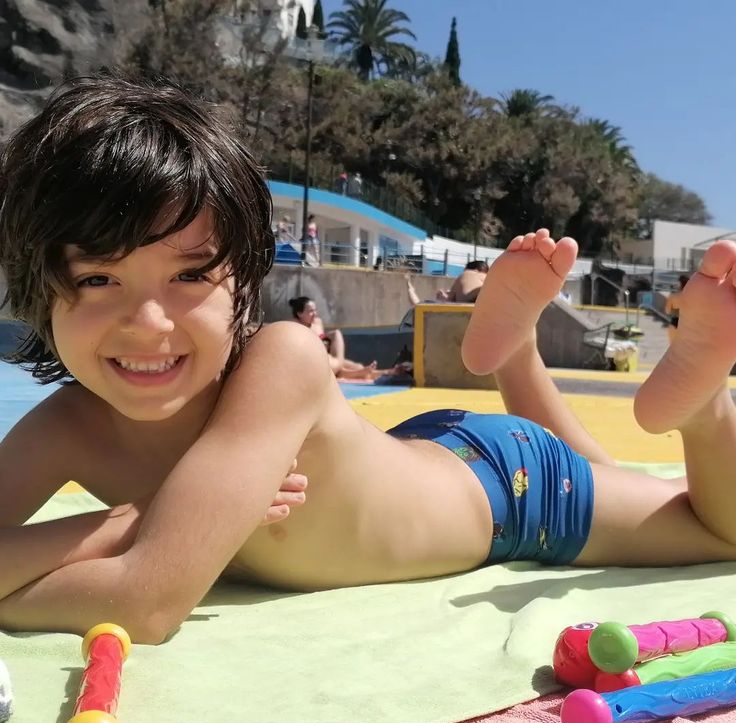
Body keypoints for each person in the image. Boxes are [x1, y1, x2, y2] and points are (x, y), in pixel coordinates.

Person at [3, 74, 736, 649]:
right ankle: (514, 350)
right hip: (415, 452)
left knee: (716, 529)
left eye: (190, 275)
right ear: (41, 287)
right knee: (623, 480)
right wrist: (133, 521)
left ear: (243, 283)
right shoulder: (68, 424)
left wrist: (136, 532)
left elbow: (145, 602)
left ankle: (704, 408)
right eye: (97, 279)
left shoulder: (283, 360)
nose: (149, 323)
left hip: (507, 491)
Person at [288, 296, 379, 379]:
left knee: (357, 366)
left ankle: (359, 371)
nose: (315, 314)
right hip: (314, 363)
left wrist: (328, 341)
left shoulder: (317, 322)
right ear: (299, 314)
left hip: (330, 360)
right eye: (310, 311)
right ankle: (358, 371)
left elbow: (325, 341)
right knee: (347, 369)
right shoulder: (295, 326)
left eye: (315, 310)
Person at [665, 274, 690, 342]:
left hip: (675, 321)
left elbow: (667, 311)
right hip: (688, 323)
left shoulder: (673, 296)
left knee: (673, 345)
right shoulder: (692, 297)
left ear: (679, 283)